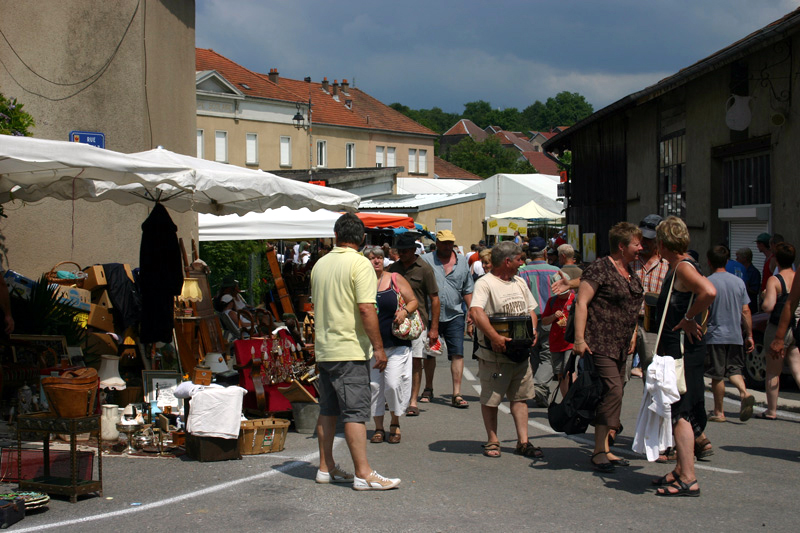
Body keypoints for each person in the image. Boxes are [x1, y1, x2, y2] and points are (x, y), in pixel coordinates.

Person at [311, 213, 400, 490]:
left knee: (328, 410)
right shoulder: (360, 263)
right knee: (355, 412)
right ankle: (364, 473)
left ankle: (325, 467)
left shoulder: (320, 264)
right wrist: (379, 348)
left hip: (325, 348)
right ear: (361, 238)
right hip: (349, 348)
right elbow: (366, 308)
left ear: (336, 235)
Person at [650, 216, 716, 496]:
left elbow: (709, 292)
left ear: (662, 243)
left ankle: (688, 477)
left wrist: (689, 318)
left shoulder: (683, 267)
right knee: (678, 409)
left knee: (680, 412)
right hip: (683, 349)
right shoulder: (683, 264)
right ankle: (680, 469)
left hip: (681, 351)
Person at [572, 221, 643, 473]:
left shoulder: (630, 271)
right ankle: (599, 450)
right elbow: (582, 303)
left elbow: (632, 307)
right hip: (599, 341)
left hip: (621, 343)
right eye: (636, 244)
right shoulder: (600, 268)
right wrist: (579, 339)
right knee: (613, 390)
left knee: (611, 392)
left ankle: (603, 448)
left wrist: (633, 334)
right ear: (622, 246)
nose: (641, 248)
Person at [469, 241, 543, 459]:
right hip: (495, 354)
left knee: (520, 398)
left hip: (520, 352)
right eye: (519, 259)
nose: (522, 263)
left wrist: (533, 330)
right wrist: (494, 337)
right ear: (508, 261)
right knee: (491, 399)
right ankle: (492, 440)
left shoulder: (519, 282)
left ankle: (523, 442)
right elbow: (476, 311)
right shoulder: (485, 283)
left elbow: (531, 310)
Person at [363, 246, 418, 444]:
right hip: (371, 345)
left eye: (379, 257)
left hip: (396, 342)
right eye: (371, 258)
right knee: (375, 387)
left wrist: (404, 312)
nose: (376, 261)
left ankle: (395, 421)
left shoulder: (395, 278)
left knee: (393, 384)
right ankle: (378, 427)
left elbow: (413, 301)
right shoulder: (362, 282)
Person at [388, 234, 440, 417]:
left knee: (416, 361)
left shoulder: (424, 269)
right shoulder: (393, 269)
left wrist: (434, 328)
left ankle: (413, 401)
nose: (401, 254)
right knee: (395, 359)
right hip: (397, 321)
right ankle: (396, 397)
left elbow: (434, 299)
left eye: (405, 251)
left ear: (413, 250)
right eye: (399, 251)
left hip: (418, 322)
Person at [421, 230, 474, 408]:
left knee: (457, 353)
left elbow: (467, 289)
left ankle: (456, 393)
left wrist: (471, 311)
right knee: (430, 353)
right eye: (444, 243)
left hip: (455, 314)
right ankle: (428, 388)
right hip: (430, 314)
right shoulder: (426, 260)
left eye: (450, 243)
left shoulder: (462, 262)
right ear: (437, 243)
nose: (447, 246)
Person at [704, 246, 755, 423]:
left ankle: (719, 412)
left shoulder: (707, 282)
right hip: (735, 335)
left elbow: (704, 312)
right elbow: (746, 311)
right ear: (727, 261)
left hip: (716, 335)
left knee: (717, 375)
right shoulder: (739, 282)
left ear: (709, 262)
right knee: (734, 370)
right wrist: (749, 335)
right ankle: (744, 392)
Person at [760, 242, 800, 420]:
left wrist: (764, 296)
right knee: (797, 369)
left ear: (776, 259)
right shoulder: (796, 276)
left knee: (773, 371)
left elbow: (768, 306)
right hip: (795, 327)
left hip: (778, 328)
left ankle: (771, 410)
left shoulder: (775, 280)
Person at [518, 247, 562, 407]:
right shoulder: (555, 271)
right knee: (548, 355)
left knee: (534, 353)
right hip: (550, 317)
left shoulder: (521, 272)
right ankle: (539, 385)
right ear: (544, 253)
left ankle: (540, 391)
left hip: (528, 317)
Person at [630, 214, 670, 380]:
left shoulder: (667, 264)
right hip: (628, 321)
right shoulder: (629, 261)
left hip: (653, 324)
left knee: (653, 371)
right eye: (642, 238)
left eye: (649, 239)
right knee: (619, 370)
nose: (644, 242)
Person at [541, 281, 575, 397]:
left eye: (563, 292)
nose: (561, 295)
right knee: (560, 374)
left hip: (571, 342)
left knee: (569, 371)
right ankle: (566, 400)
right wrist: (554, 316)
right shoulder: (552, 301)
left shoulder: (575, 299)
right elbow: (544, 321)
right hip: (556, 342)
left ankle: (573, 399)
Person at [736, 247, 761, 315]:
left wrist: (746, 287)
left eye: (738, 257)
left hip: (750, 306)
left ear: (745, 258)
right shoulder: (738, 271)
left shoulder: (754, 272)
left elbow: (755, 291)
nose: (736, 259)